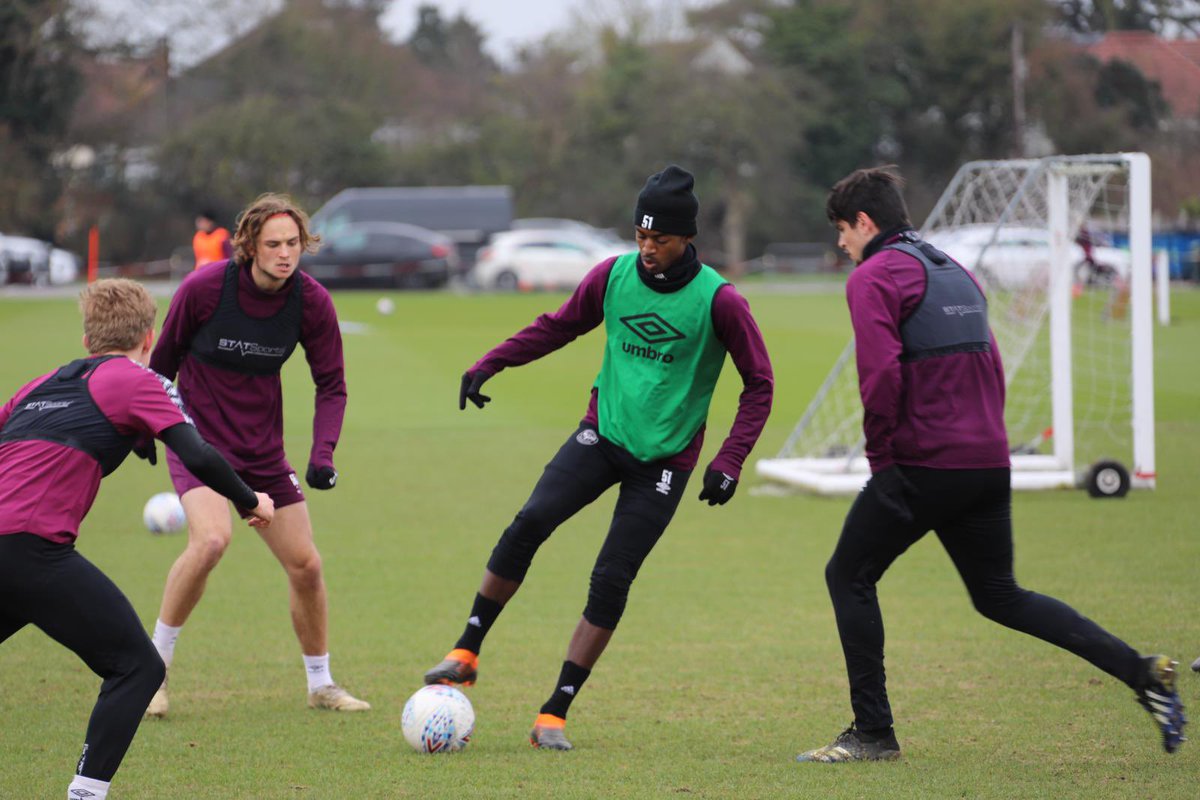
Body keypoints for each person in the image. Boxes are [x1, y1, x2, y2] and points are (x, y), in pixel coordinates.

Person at [795, 166, 1186, 763]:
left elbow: (878, 379)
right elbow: (992, 366)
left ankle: (873, 734)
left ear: (866, 223)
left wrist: (883, 466)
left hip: (924, 466)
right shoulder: (957, 271)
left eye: (842, 231)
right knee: (1000, 595)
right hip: (986, 461)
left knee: (847, 575)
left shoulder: (875, 275)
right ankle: (1141, 672)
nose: (840, 244)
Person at [422, 165, 774, 750]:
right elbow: (558, 327)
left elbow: (759, 384)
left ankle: (554, 713)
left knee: (610, 578)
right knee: (529, 522)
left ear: (686, 238)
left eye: (659, 239)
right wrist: (491, 362)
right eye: (640, 236)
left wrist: (730, 459)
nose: (647, 249)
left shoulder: (721, 301)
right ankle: (466, 650)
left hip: (664, 462)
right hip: (602, 435)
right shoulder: (613, 276)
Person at [0, 278, 274, 800]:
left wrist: (135, 436)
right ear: (150, 338)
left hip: (11, 550)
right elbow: (198, 454)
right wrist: (249, 499)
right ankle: (85, 794)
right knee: (138, 667)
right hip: (32, 552)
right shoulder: (134, 379)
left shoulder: (37, 385)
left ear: (86, 340)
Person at [145, 193, 369, 717]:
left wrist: (323, 454)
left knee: (306, 565)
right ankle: (151, 676)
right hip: (197, 443)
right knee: (212, 541)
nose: (286, 254)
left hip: (261, 451)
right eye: (274, 244)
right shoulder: (204, 288)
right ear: (248, 245)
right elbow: (160, 368)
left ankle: (321, 684)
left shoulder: (310, 302)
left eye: (293, 243)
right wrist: (151, 434)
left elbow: (332, 384)